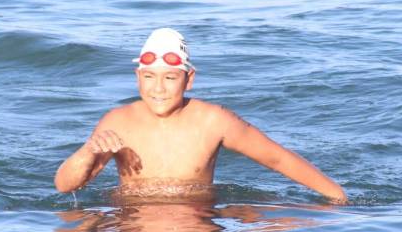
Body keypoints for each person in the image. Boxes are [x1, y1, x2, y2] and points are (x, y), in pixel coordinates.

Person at [54, 28, 347, 204]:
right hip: (132, 217)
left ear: (189, 79)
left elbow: (277, 158)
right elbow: (65, 186)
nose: (158, 88)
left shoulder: (213, 121)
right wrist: (87, 151)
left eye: (170, 77)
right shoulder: (118, 122)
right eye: (149, 77)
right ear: (137, 77)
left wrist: (338, 198)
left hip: (196, 216)